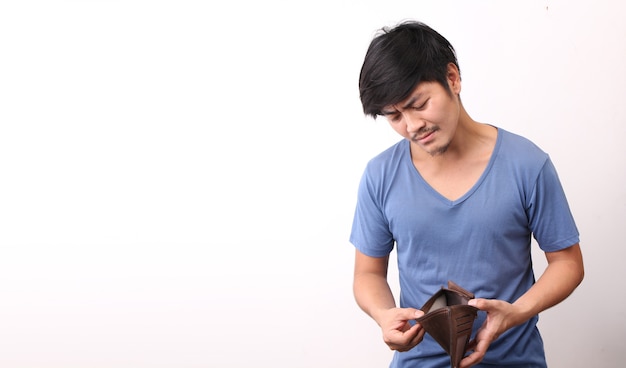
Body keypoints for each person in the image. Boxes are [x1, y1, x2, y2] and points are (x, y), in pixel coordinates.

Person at [350, 20, 584, 367]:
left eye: (418, 103)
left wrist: (517, 312)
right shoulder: (380, 175)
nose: (412, 126)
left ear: (453, 78)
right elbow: (367, 273)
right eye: (394, 116)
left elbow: (567, 263)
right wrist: (384, 315)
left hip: (513, 360)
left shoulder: (527, 164)